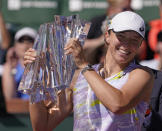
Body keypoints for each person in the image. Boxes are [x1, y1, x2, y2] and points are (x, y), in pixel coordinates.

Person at [24, 11, 154, 130]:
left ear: (140, 44)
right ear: (107, 36)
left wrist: (84, 65)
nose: (126, 45)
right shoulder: (78, 78)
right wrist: (34, 74)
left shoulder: (142, 75)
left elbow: (118, 104)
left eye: (134, 40)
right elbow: (42, 126)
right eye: (121, 37)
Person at [84, 0, 132, 64]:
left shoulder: (132, 24)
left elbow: (140, 49)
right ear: (112, 9)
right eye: (125, 9)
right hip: (93, 64)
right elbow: (81, 45)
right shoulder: (97, 22)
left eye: (131, 8)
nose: (130, 11)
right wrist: (100, 41)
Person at [2, 27, 37, 101]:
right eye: (21, 41)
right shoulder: (8, 67)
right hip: (17, 111)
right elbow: (10, 97)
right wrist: (11, 68)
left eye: (30, 41)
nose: (25, 45)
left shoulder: (44, 67)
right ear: (15, 46)